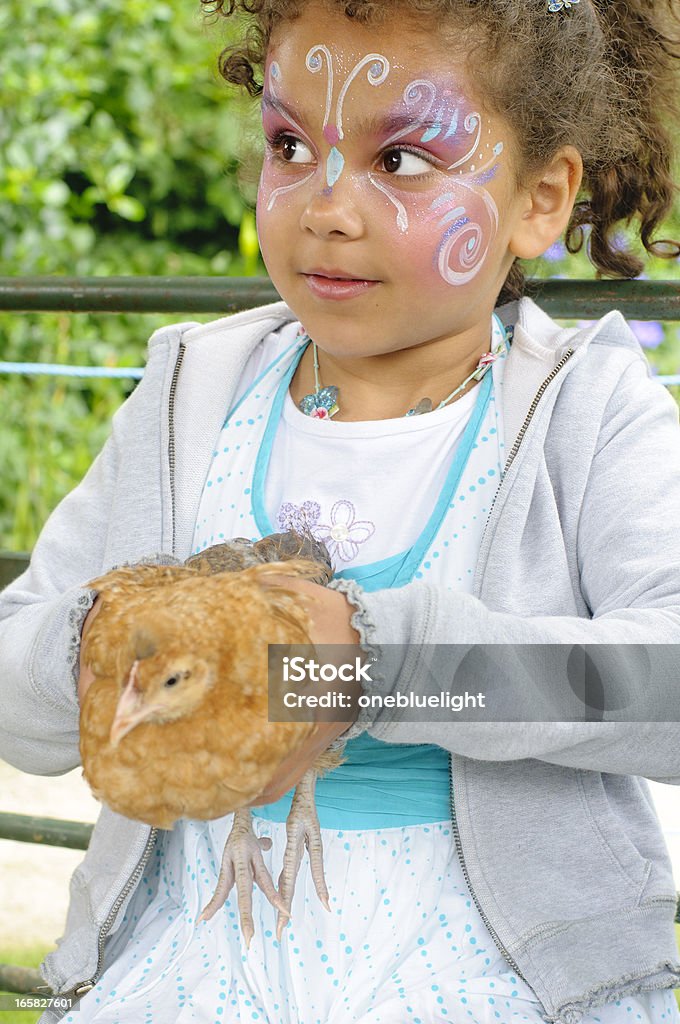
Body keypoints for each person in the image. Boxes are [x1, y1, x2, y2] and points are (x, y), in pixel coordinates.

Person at [1, 0, 680, 1021]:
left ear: (540, 198)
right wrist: (99, 648)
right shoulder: (188, 392)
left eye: (400, 159)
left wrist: (366, 665)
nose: (325, 206)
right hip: (187, 973)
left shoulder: (585, 413)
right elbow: (21, 697)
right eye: (289, 144)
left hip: (490, 981)